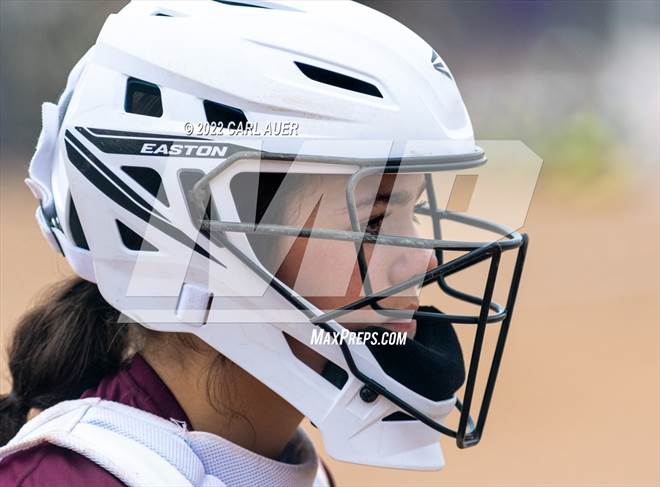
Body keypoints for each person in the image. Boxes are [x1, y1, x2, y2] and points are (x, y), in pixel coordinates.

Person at [0, 1, 528, 485]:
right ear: (206, 237)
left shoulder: (277, 466)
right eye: (373, 221)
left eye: (411, 212)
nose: (423, 260)